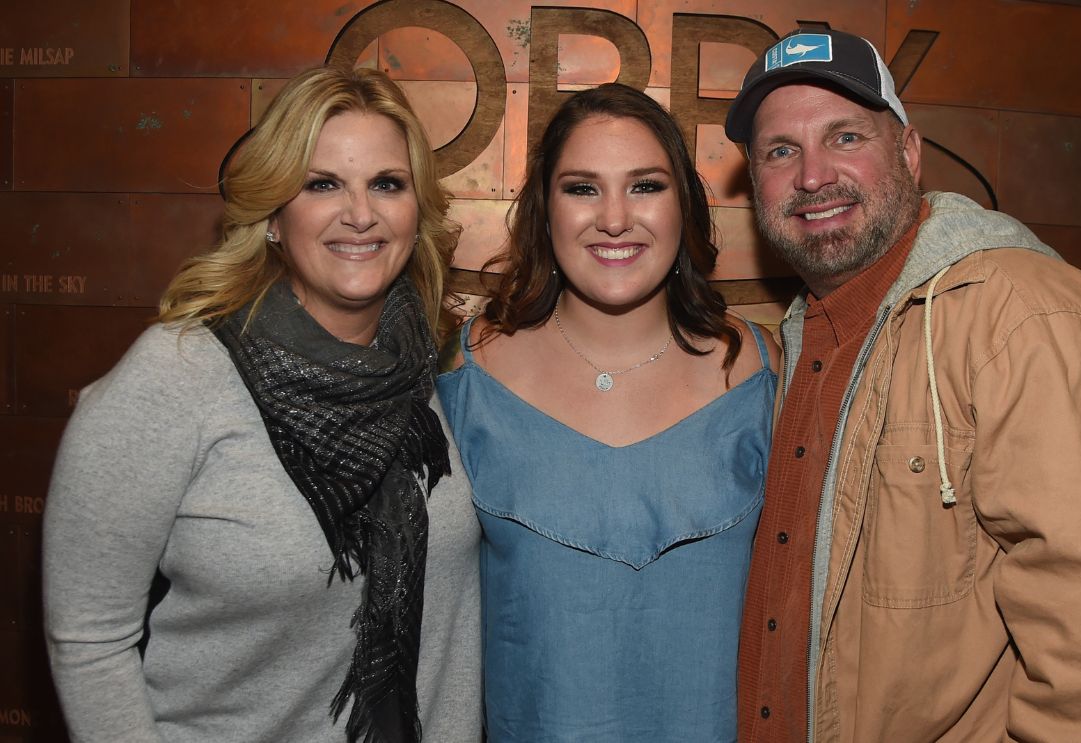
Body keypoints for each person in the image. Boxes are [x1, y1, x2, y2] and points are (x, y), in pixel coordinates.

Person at [724, 28, 1081, 743]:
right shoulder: (796, 340)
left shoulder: (1024, 316)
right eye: (780, 151)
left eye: (845, 137)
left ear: (909, 152)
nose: (812, 176)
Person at [43, 66, 480, 743]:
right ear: (273, 216)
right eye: (321, 183)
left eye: (387, 183)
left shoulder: (432, 367)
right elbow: (88, 637)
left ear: (415, 210)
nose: (360, 213)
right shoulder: (176, 375)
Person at [437, 82, 779, 741]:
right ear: (545, 209)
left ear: (683, 205)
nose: (615, 218)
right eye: (582, 188)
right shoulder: (468, 373)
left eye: (645, 185)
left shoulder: (762, 372)